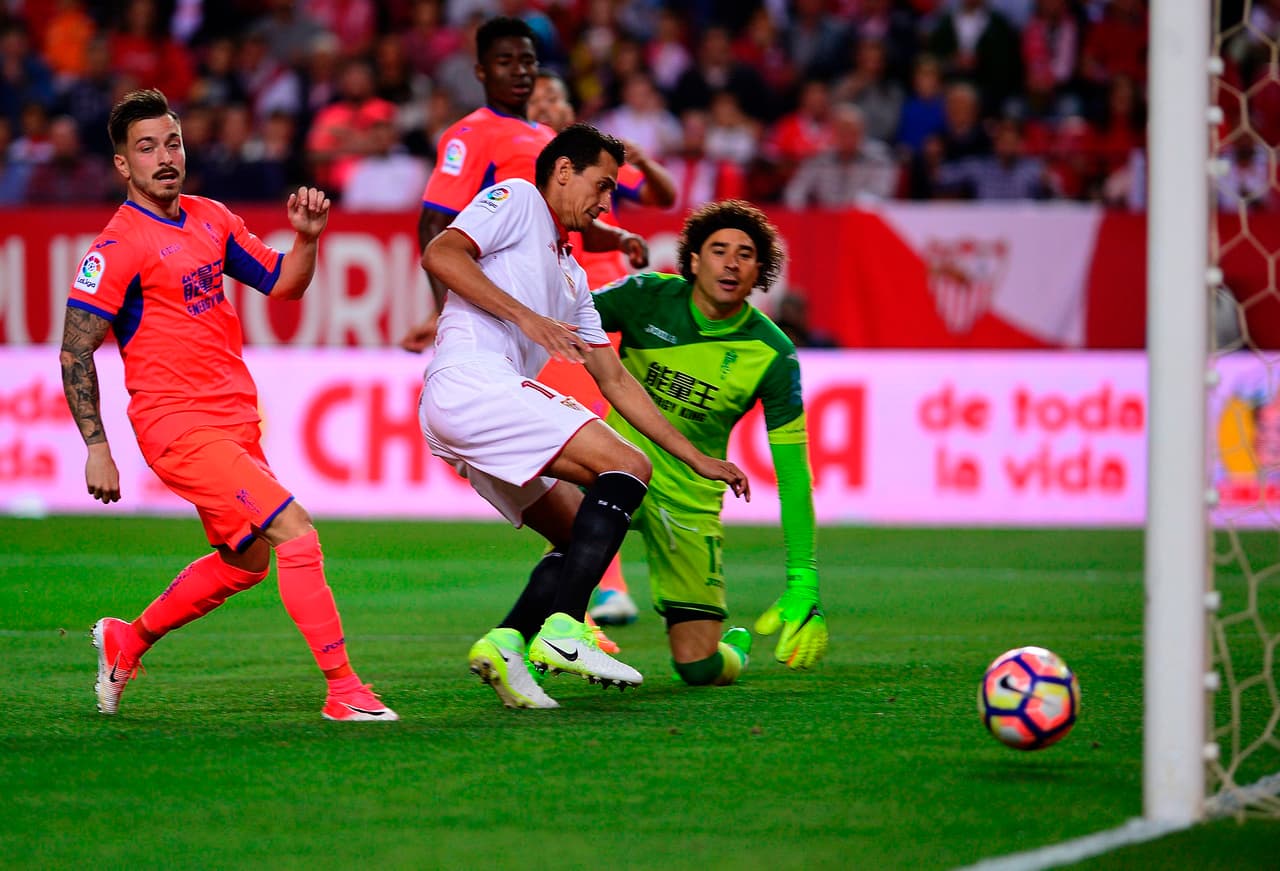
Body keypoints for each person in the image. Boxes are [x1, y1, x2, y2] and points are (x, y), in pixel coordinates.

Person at [58, 89, 396, 723]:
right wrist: (97, 447)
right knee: (296, 533)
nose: (165, 157)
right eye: (147, 147)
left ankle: (128, 639)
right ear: (123, 166)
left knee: (247, 562)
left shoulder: (212, 217)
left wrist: (308, 239)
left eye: (173, 143)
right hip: (176, 426)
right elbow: (76, 351)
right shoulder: (117, 246)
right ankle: (344, 689)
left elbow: (284, 284)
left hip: (234, 421)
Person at [417, 123, 750, 710]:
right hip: (471, 381)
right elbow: (441, 251)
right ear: (564, 171)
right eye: (602, 185)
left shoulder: (571, 276)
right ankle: (566, 628)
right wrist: (525, 319)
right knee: (624, 468)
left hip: (475, 406)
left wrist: (696, 458)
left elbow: (615, 379)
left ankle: (508, 642)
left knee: (578, 534)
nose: (606, 202)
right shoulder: (518, 198)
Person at [590, 199, 829, 686]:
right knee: (564, 531)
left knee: (698, 666)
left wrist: (803, 579)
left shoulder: (772, 354)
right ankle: (533, 636)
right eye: (718, 250)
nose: (731, 262)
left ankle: (733, 646)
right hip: (613, 465)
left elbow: (793, 475)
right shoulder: (644, 296)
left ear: (760, 271)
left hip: (689, 496)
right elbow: (558, 317)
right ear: (694, 260)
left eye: (745, 254)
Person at [527, 67, 677, 628]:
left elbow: (664, 195)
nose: (547, 104)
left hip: (610, 313)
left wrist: (639, 160)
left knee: (615, 447)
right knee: (586, 449)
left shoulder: (598, 169)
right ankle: (594, 590)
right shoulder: (532, 177)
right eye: (538, 99)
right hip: (569, 316)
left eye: (555, 95)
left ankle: (587, 589)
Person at [398, 16, 646, 354]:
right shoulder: (470, 134)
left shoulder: (545, 135)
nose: (520, 71)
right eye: (505, 62)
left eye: (527, 61)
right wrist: (447, 312)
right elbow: (434, 226)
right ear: (481, 72)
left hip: (556, 297)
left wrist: (621, 238)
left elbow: (567, 221)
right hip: (513, 306)